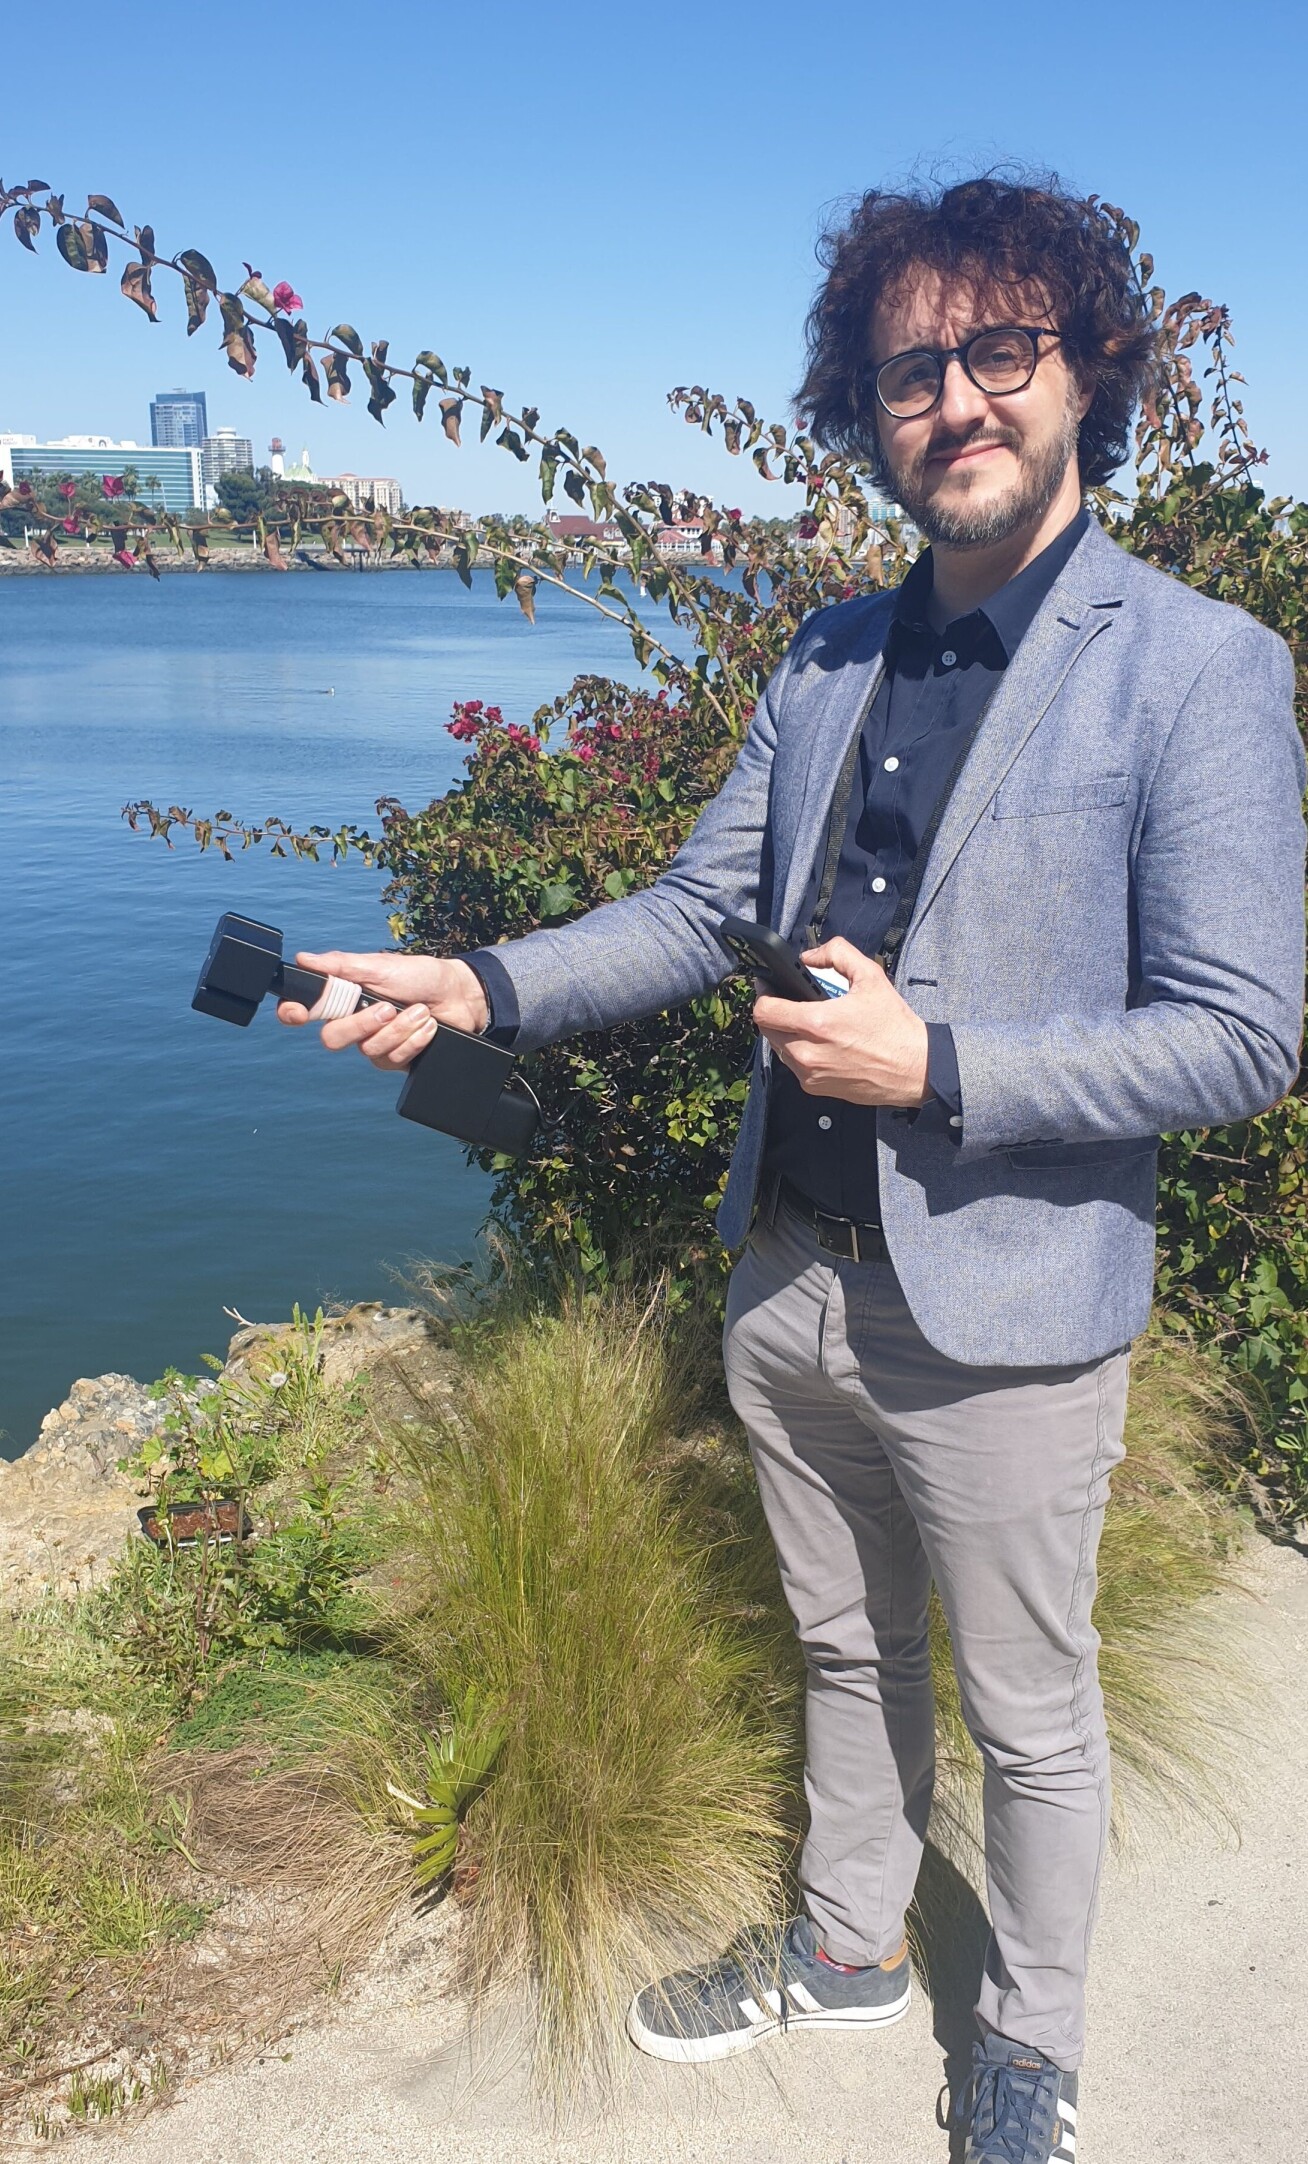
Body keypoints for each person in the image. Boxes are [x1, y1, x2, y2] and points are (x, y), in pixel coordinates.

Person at [278, 177, 1306, 2164]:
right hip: (796, 1268)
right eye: (912, 368)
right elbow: (688, 909)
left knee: (1029, 1708)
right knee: (843, 1642)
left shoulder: (1198, 665)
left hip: (1010, 1304)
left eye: (999, 350)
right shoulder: (829, 656)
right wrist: (476, 982)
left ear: (1089, 364)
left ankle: (1029, 2038)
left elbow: (1246, 1031)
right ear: (868, 409)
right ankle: (847, 1945)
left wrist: (944, 1060)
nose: (958, 400)